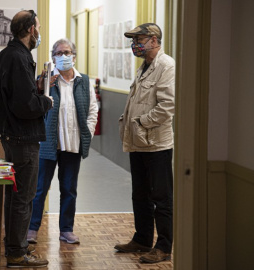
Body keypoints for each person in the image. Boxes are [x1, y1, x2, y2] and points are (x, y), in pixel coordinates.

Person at [0, 10, 53, 268]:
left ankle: (14, 248)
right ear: (30, 30)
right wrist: (45, 100)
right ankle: (17, 253)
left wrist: (34, 90)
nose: (39, 32)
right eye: (37, 26)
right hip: (23, 138)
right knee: (23, 199)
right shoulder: (18, 57)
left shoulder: (7, 54)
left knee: (15, 197)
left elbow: (7, 94)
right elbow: (25, 106)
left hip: (12, 136)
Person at [26, 38, 98, 245]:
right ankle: (32, 228)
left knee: (69, 189)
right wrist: (41, 86)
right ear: (52, 57)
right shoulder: (47, 78)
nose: (63, 56)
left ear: (74, 56)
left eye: (67, 52)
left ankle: (66, 229)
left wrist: (88, 133)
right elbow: (35, 107)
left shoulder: (83, 80)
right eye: (58, 53)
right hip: (48, 143)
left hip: (73, 144)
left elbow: (92, 110)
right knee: (39, 188)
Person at [114, 23, 175, 264]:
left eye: (139, 39)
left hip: (156, 143)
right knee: (140, 194)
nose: (134, 44)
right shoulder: (144, 67)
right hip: (138, 142)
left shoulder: (166, 65)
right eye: (134, 40)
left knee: (161, 196)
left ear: (154, 40)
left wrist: (141, 122)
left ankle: (164, 247)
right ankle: (142, 239)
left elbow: (167, 106)